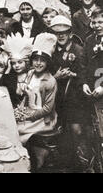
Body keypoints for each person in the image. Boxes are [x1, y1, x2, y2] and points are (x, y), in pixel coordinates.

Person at [50, 15, 91, 172]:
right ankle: (65, 162)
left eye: (64, 32)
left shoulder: (79, 51)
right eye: (57, 33)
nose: (61, 36)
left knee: (77, 131)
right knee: (61, 132)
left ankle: (83, 164)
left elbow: (85, 75)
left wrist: (74, 76)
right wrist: (56, 77)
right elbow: (47, 74)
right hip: (58, 98)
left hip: (76, 99)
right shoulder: (52, 51)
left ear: (70, 34)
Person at [17, 33, 58, 153]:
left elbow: (47, 109)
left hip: (42, 119)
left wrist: (29, 116)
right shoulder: (30, 73)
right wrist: (20, 110)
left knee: (18, 131)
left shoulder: (50, 81)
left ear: (48, 63)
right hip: (28, 112)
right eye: (35, 59)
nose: (38, 63)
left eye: (43, 61)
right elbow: (25, 97)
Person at [0, 33, 34, 107]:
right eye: (13, 63)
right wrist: (8, 69)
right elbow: (1, 83)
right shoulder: (12, 74)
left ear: (26, 62)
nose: (16, 65)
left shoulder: (31, 75)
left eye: (20, 62)